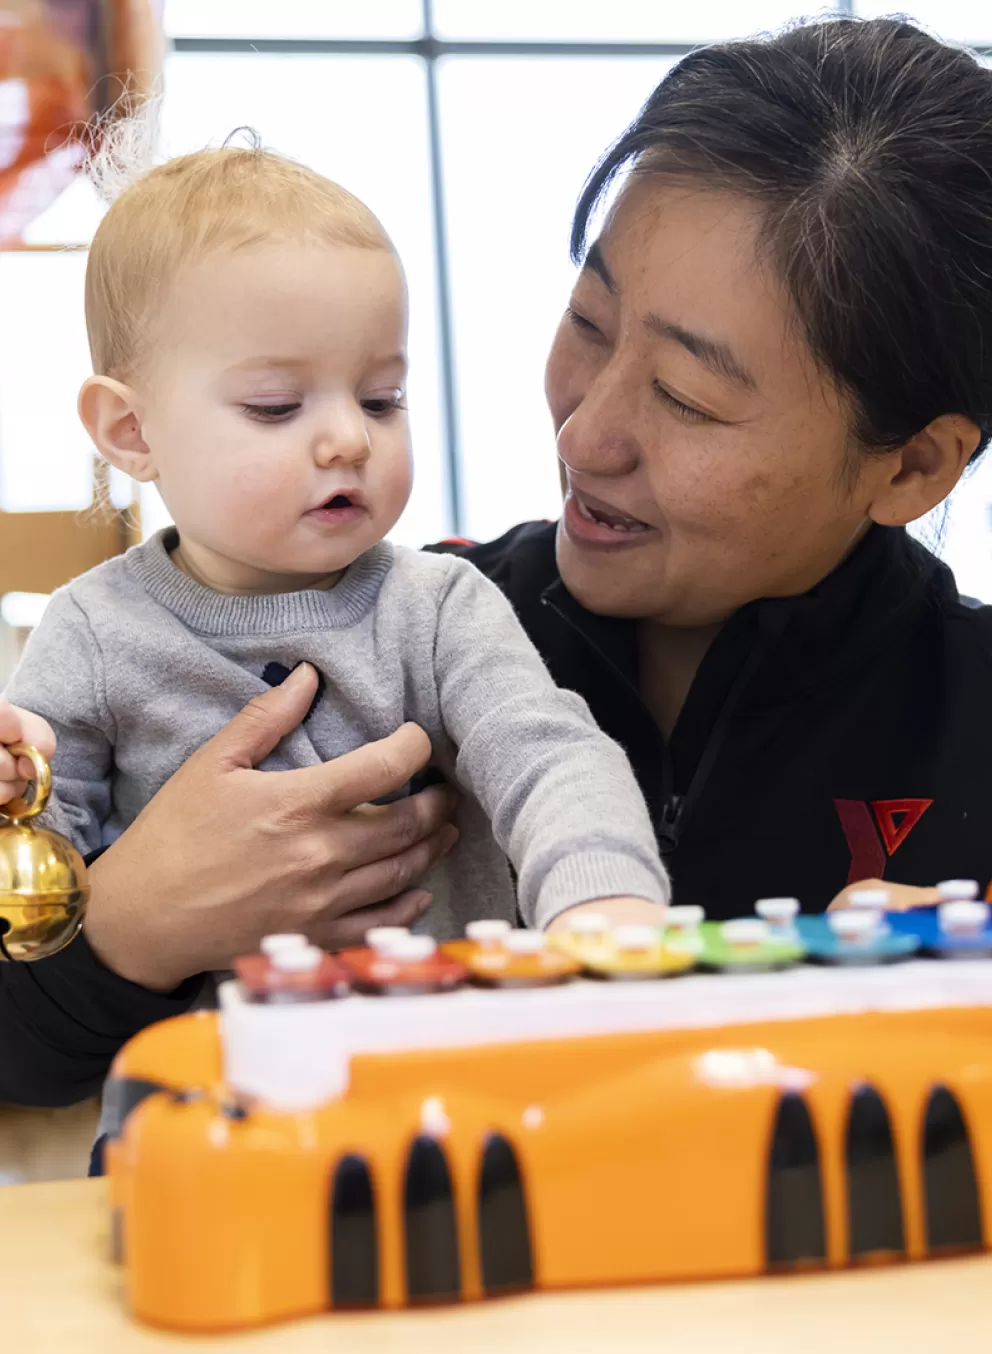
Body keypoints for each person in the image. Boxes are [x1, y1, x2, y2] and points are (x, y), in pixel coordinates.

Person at [2, 14, 992, 1113]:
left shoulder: (436, 621)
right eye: (588, 323)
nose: (583, 435)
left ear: (913, 465)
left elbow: (552, 768)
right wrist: (131, 920)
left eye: (687, 398)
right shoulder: (395, 613)